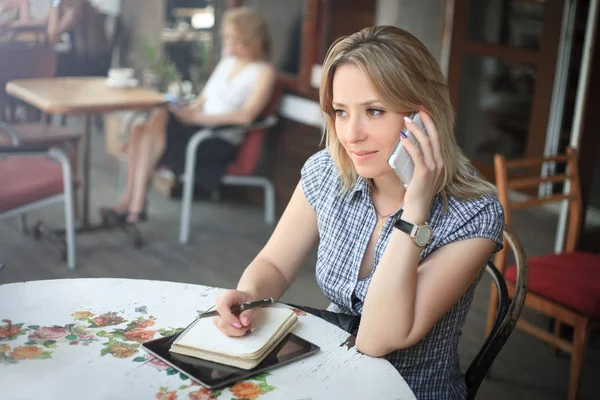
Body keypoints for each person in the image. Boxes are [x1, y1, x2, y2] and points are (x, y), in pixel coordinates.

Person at [211, 26, 504, 400]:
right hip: (327, 373)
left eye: (374, 111)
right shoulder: (328, 172)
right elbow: (275, 264)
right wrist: (246, 297)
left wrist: (415, 210)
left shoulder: (474, 214)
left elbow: (377, 338)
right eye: (340, 112)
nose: (351, 134)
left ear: (423, 117)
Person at [102, 6, 276, 223]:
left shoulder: (264, 72)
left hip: (216, 139)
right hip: (196, 127)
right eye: (227, 37)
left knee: (156, 120)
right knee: (141, 128)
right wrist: (188, 110)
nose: (228, 43)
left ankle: (134, 203)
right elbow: (204, 99)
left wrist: (197, 118)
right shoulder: (227, 62)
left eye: (235, 39)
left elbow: (246, 116)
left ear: (252, 40)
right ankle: (132, 201)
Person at [16, 0, 110, 76]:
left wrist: (55, 6)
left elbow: (53, 35)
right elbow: (40, 24)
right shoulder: (62, 6)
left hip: (85, 63)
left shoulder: (74, 8)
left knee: (45, 65)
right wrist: (14, 26)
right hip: (75, 57)